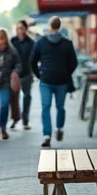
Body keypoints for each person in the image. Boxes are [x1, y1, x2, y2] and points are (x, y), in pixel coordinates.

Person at [29, 16, 78, 147]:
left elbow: (32, 61)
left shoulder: (41, 42)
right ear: (59, 26)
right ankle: (60, 128)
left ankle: (47, 135)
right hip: (62, 80)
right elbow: (74, 62)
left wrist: (39, 75)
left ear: (50, 27)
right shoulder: (67, 43)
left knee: (45, 107)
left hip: (46, 80)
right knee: (60, 107)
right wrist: (66, 73)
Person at [9, 20, 36, 130]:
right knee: (14, 98)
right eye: (17, 28)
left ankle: (25, 120)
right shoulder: (12, 41)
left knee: (27, 96)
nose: (19, 30)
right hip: (14, 74)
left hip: (27, 73)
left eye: (21, 28)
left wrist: (34, 72)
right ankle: (15, 119)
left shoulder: (31, 42)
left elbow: (33, 59)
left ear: (25, 29)